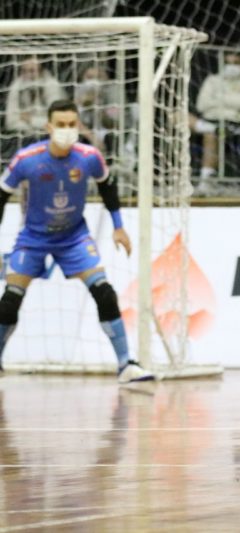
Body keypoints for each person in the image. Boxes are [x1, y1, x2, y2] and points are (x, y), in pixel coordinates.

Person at [0, 99, 154, 384]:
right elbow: (1, 195)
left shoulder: (89, 156)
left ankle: (125, 365)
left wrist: (119, 227)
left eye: (72, 125)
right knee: (9, 303)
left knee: (105, 292)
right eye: (61, 125)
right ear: (49, 126)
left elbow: (107, 185)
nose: (67, 130)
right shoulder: (26, 159)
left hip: (74, 238)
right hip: (33, 238)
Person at [190, 51, 240, 194]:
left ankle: (205, 182)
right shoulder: (213, 80)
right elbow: (201, 105)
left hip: (238, 124)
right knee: (175, 115)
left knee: (210, 133)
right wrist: (231, 100)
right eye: (228, 63)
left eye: (236, 63)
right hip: (209, 120)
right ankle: (210, 128)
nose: (231, 67)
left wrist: (217, 99)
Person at [5, 56, 66, 136]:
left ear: (41, 71)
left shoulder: (52, 86)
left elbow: (57, 121)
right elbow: (10, 122)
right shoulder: (17, 86)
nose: (28, 75)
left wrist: (30, 120)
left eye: (32, 71)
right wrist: (31, 129)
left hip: (52, 134)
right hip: (24, 135)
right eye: (24, 71)